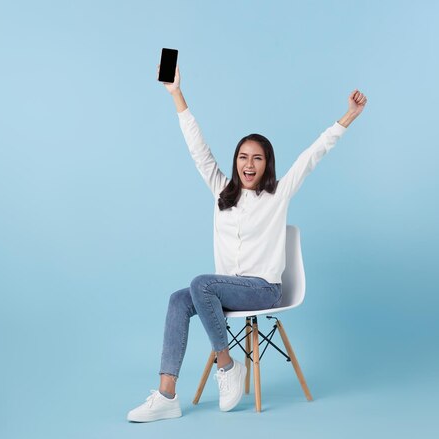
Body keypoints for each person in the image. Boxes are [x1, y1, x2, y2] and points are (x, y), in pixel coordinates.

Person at [127, 65, 367, 422]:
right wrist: (176, 93)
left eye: (257, 158)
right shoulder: (222, 191)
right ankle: (166, 395)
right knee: (179, 299)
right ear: (235, 162)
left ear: (267, 163)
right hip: (225, 291)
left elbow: (314, 153)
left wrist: (349, 115)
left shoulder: (278, 194)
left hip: (264, 289)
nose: (248, 164)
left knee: (200, 284)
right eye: (243, 157)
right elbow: (197, 148)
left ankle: (227, 367)